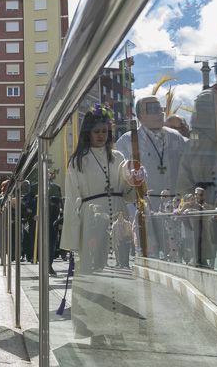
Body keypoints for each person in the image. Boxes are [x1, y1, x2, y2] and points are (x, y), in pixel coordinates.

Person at [60, 106, 140, 337]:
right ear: (87, 133)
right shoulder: (78, 161)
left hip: (119, 218)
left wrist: (133, 180)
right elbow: (70, 200)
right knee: (90, 271)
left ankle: (117, 324)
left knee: (119, 271)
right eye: (96, 131)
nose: (101, 135)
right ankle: (87, 323)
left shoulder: (119, 157)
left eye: (105, 131)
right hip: (91, 218)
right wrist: (73, 235)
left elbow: (127, 192)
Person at [116, 97, 187, 255]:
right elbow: (124, 183)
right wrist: (135, 211)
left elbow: (188, 169)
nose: (160, 113)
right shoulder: (126, 141)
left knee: (177, 255)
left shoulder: (176, 137)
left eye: (159, 109)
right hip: (144, 207)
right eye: (152, 109)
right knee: (150, 254)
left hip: (173, 207)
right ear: (140, 116)